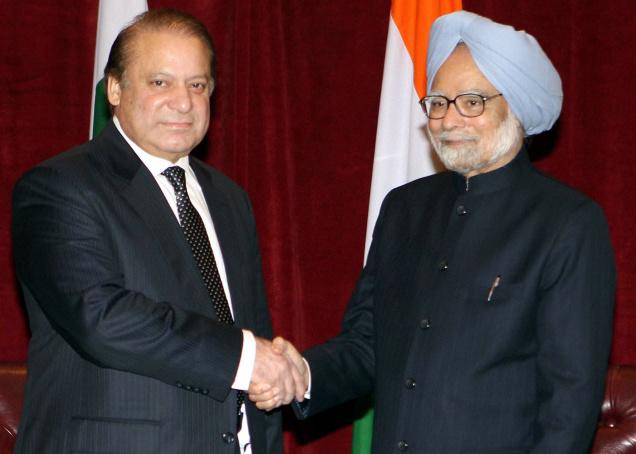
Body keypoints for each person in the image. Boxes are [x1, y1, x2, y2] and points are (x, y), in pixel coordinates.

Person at [250, 10, 616, 453]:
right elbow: (368, 345)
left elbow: (569, 406)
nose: (448, 120)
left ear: (516, 108)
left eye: (472, 102)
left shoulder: (568, 223)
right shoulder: (404, 209)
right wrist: (303, 375)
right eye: (438, 102)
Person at [12, 8, 305, 454]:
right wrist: (247, 358)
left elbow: (250, 330)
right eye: (160, 82)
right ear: (115, 89)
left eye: (198, 85)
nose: (183, 102)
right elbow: (100, 318)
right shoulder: (61, 186)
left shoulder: (229, 198)